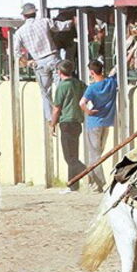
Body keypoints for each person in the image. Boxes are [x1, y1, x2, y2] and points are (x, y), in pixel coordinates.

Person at [15, 3, 69, 118]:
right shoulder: (44, 22)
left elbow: (16, 52)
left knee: (45, 93)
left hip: (38, 62)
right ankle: (65, 112)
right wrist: (72, 22)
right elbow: (61, 26)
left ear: (24, 16)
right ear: (35, 13)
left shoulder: (20, 32)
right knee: (61, 86)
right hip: (53, 58)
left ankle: (51, 118)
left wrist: (27, 62)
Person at [80, 59, 118, 193]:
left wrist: (88, 111)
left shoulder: (92, 88)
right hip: (106, 122)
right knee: (98, 152)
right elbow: (116, 69)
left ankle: (98, 183)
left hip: (94, 122)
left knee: (94, 154)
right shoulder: (111, 82)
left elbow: (82, 103)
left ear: (91, 72)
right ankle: (95, 182)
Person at [48, 62, 87, 192]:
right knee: (73, 155)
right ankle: (73, 184)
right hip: (77, 121)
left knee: (69, 157)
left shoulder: (62, 86)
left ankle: (88, 171)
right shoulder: (78, 83)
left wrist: (52, 124)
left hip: (66, 122)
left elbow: (56, 108)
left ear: (59, 72)